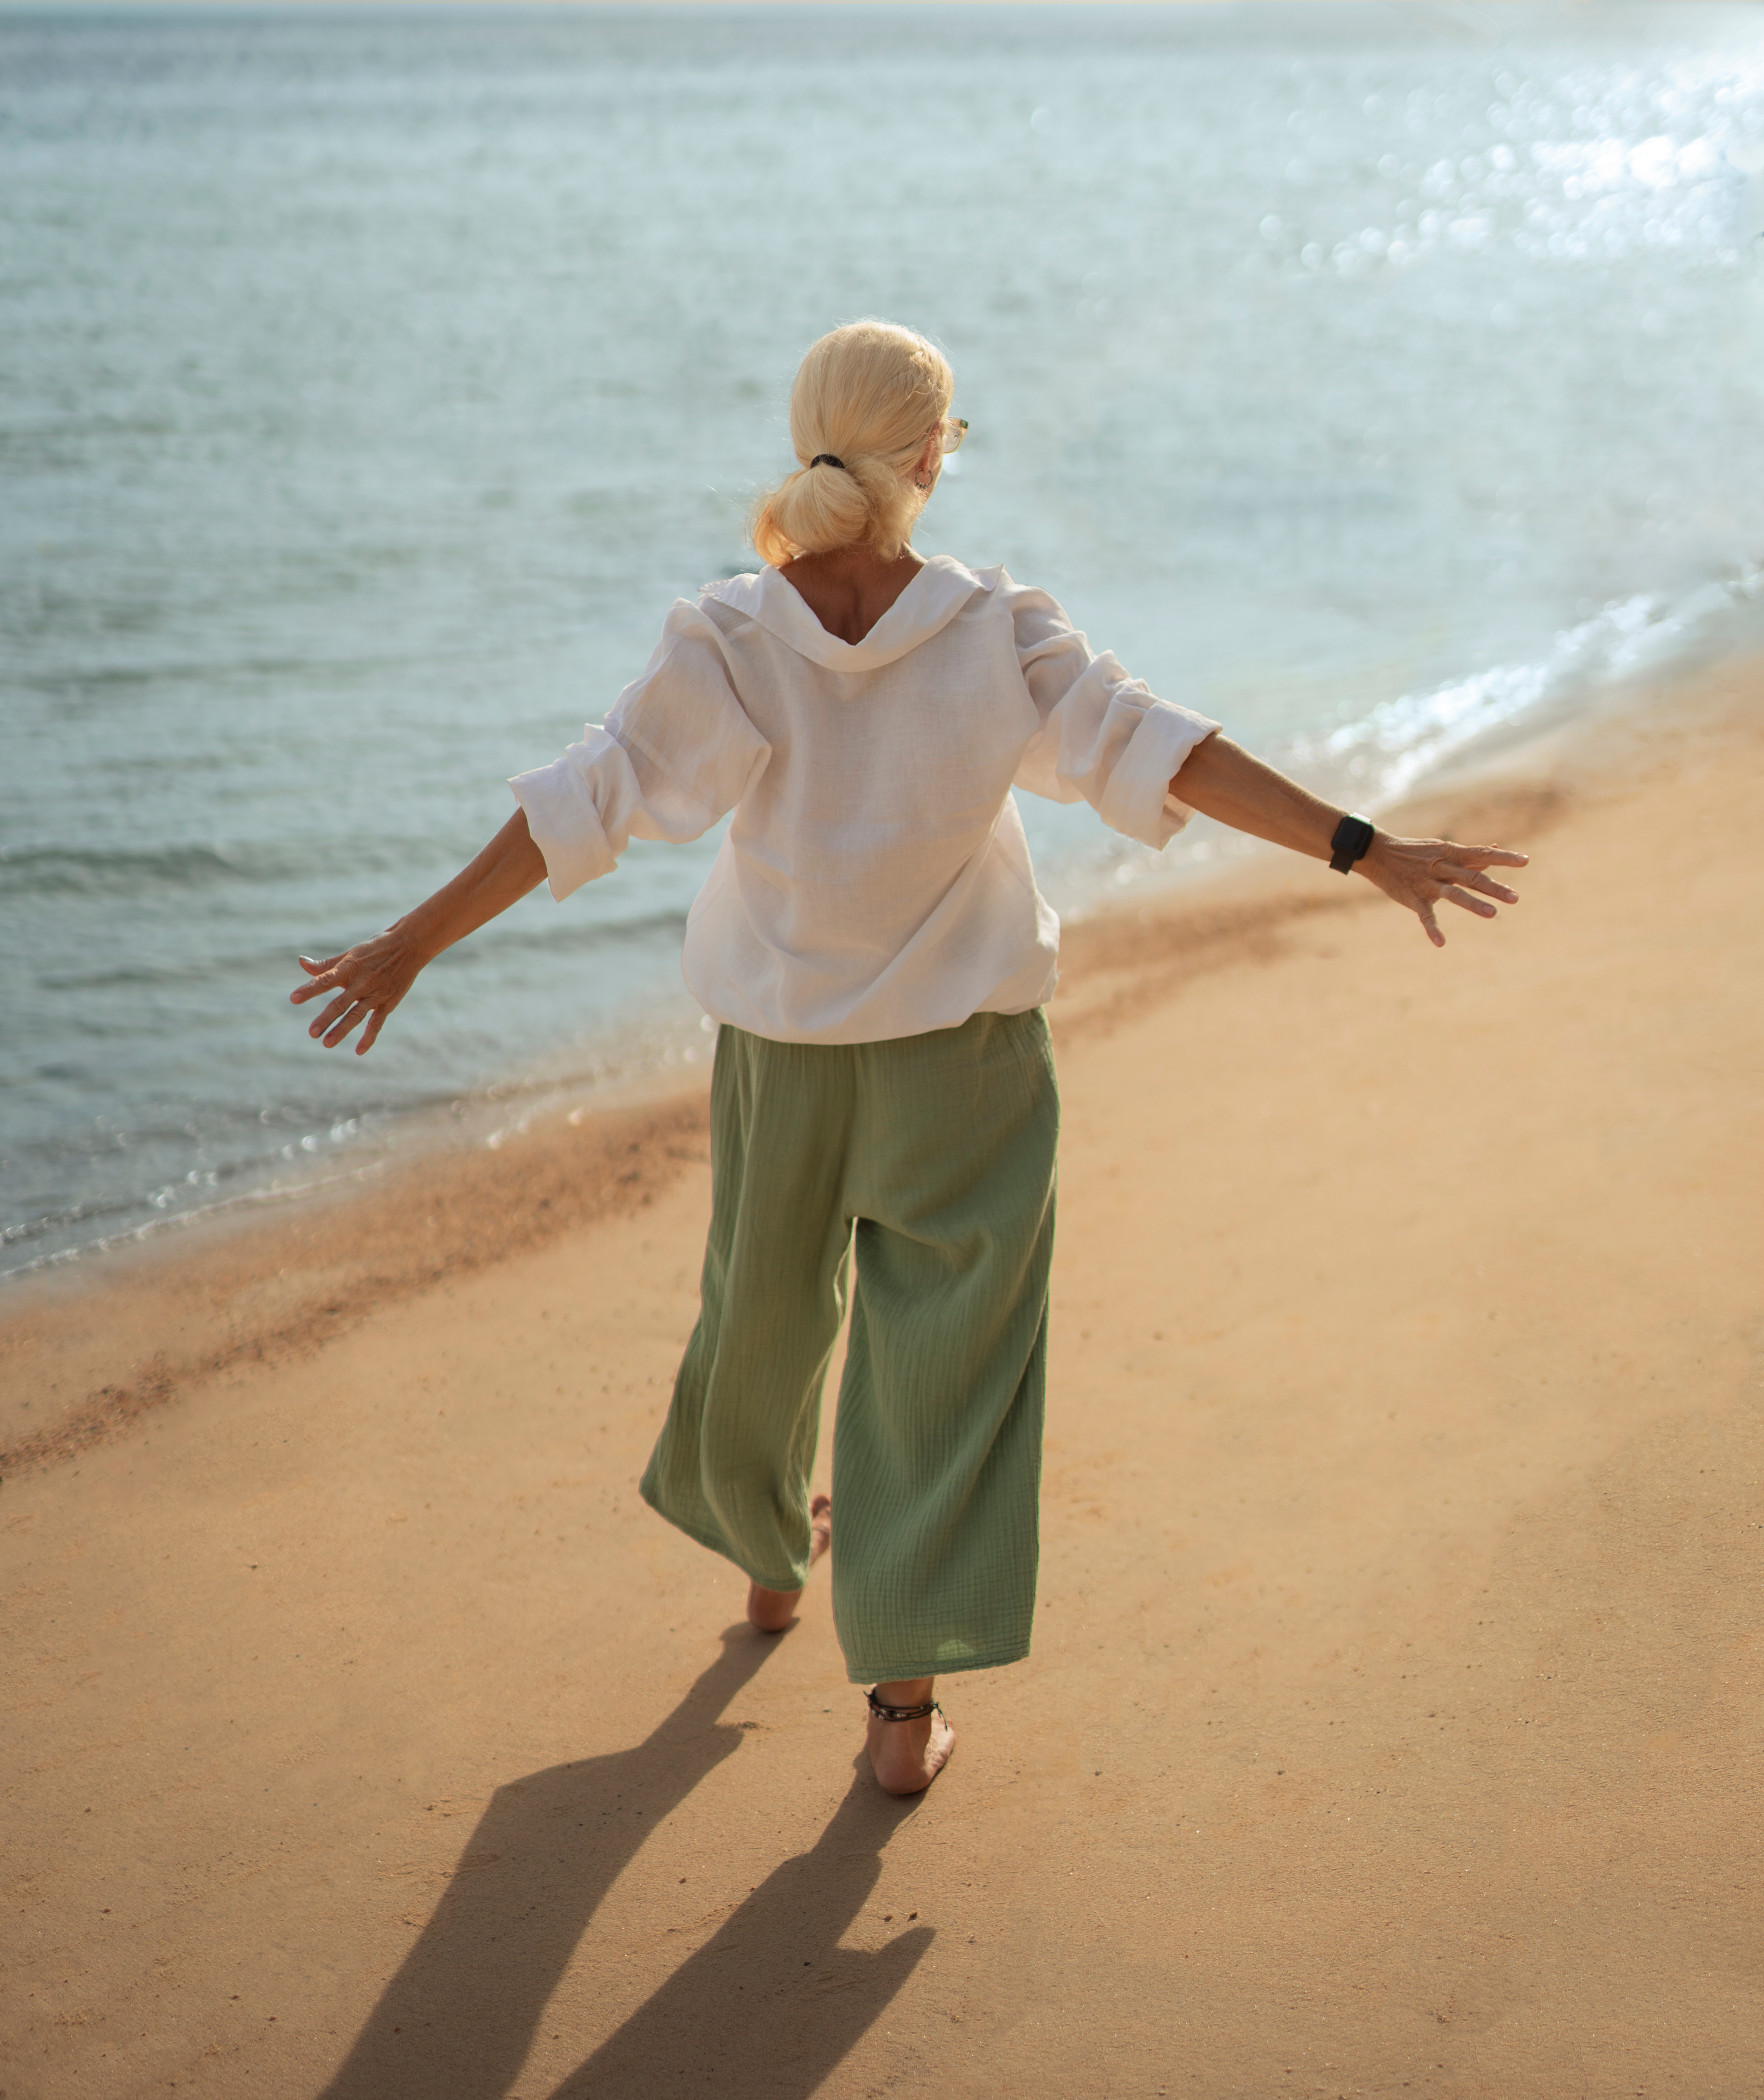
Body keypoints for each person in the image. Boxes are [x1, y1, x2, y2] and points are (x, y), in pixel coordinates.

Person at [292, 320, 1525, 1797]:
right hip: (967, 1064)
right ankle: (898, 1713)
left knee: (761, 1314)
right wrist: (1363, 847)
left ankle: (769, 1562)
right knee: (945, 1360)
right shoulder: (992, 628)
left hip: (785, 1055)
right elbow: (1164, 752)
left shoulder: (734, 634)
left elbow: (588, 797)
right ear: (932, 452)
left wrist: (410, 943)